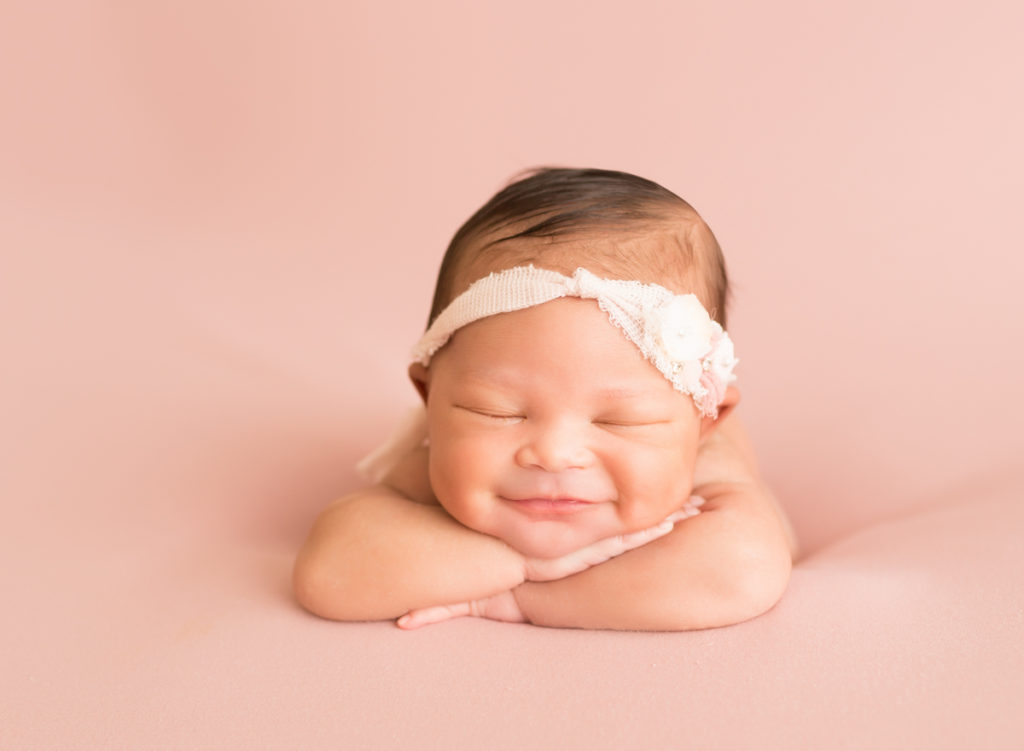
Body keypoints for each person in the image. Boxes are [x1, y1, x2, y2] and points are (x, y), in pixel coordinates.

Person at [294, 167, 798, 631]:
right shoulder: (430, 465)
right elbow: (329, 571)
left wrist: (515, 599)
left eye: (620, 421)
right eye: (498, 412)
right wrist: (521, 565)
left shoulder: (705, 473)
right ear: (430, 401)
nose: (554, 453)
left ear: (706, 424)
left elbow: (746, 570)